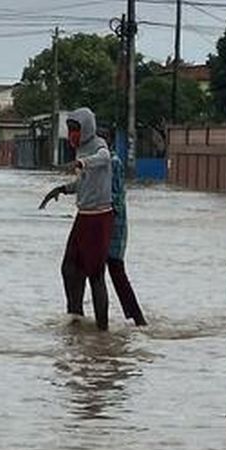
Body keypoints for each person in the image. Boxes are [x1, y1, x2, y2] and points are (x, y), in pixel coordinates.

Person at [38, 108, 115, 329]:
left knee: (96, 274)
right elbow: (83, 184)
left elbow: (104, 158)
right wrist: (62, 189)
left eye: (76, 129)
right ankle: (75, 316)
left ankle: (103, 330)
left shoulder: (99, 145)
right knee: (69, 268)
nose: (72, 134)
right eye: (70, 129)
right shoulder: (80, 149)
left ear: (87, 128)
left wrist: (82, 163)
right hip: (83, 216)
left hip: (98, 218)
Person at [94, 124, 147, 326]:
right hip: (105, 224)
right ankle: (134, 318)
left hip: (113, 226)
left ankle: (136, 318)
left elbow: (115, 197)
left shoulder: (113, 163)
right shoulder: (100, 163)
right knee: (109, 271)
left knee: (115, 269)